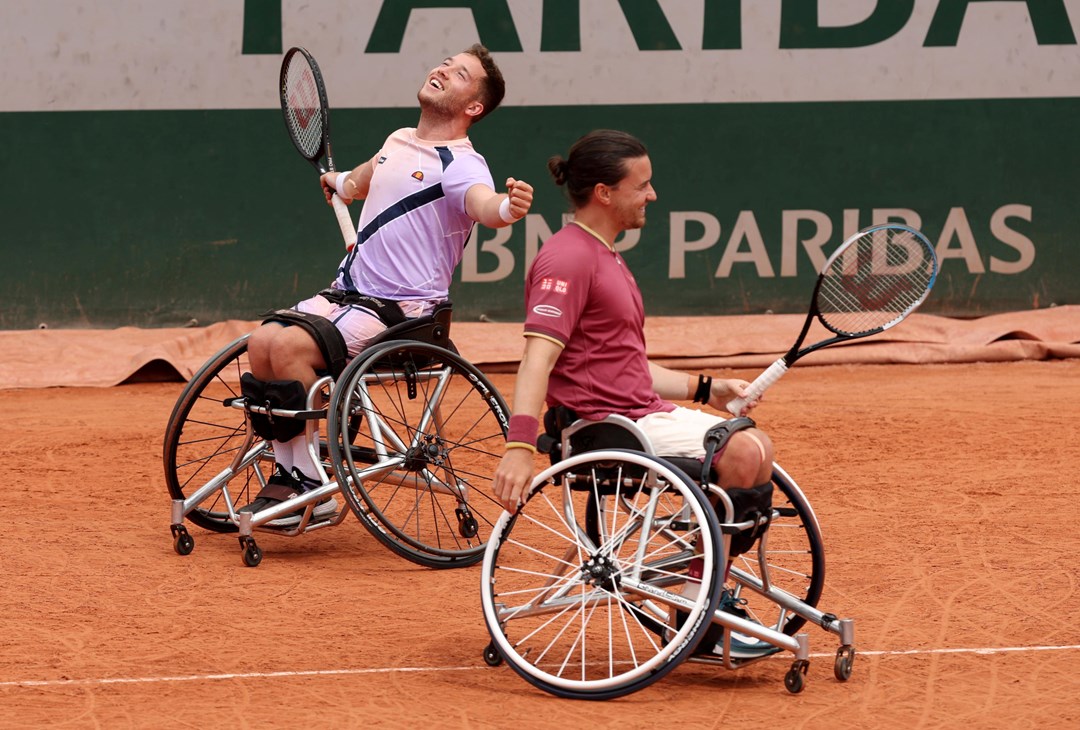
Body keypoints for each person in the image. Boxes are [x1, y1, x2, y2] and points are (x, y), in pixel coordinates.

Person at [491, 129, 774, 658]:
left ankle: (700, 593)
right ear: (604, 192)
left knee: (756, 450)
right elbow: (538, 359)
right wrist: (519, 445)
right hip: (604, 426)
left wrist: (709, 390)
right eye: (641, 185)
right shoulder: (567, 259)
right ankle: (700, 611)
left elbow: (625, 363)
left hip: (640, 411)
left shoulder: (605, 254)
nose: (653, 195)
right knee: (742, 452)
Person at [241, 44, 534, 527]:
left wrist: (508, 208)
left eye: (459, 73)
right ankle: (295, 472)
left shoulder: (461, 164)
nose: (442, 69)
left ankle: (310, 487)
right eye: (445, 62)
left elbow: (485, 205)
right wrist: (338, 182)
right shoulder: (396, 140)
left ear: (473, 107)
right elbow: (361, 180)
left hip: (404, 315)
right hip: (347, 293)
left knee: (291, 347)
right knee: (262, 340)